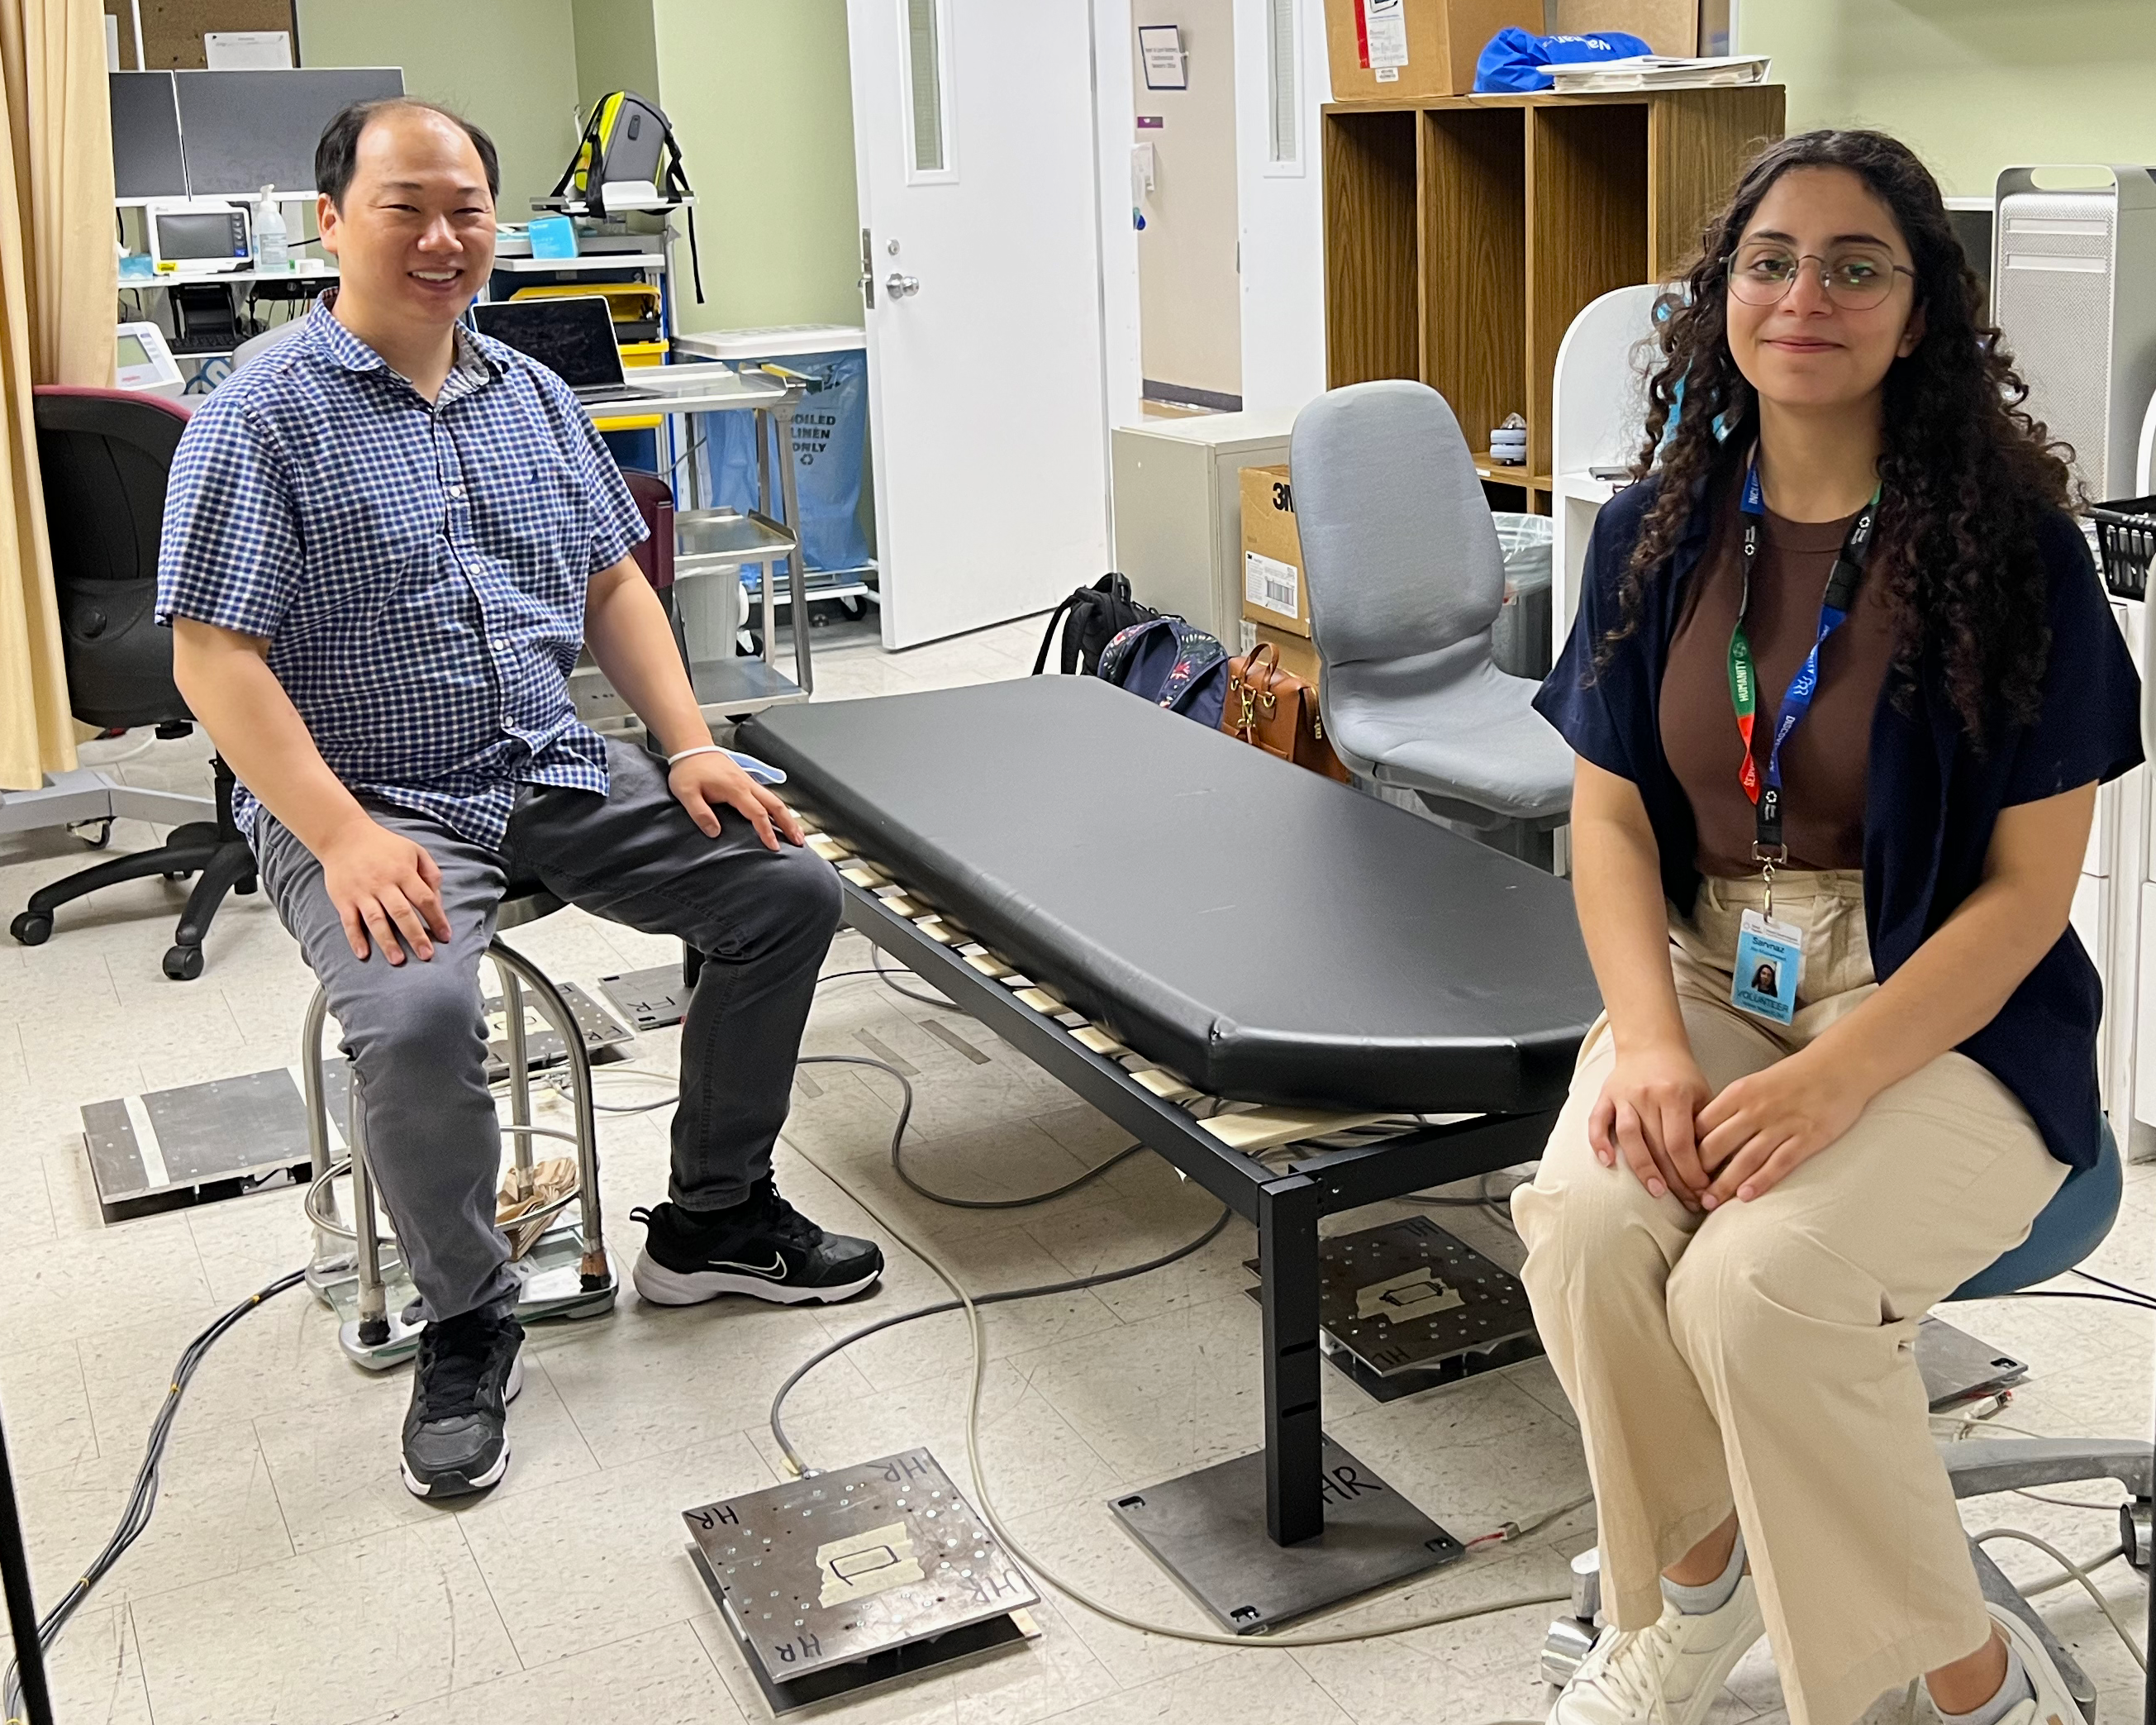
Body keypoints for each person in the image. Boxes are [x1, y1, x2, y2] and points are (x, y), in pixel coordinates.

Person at [156, 98, 883, 1502]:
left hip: (543, 760)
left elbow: (615, 580)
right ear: (332, 222)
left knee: (787, 890)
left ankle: (714, 1222)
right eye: (405, 207)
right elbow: (213, 656)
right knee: (421, 1013)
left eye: (467, 209)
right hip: (367, 794)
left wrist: (686, 742)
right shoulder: (257, 416)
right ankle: (469, 1315)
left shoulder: (531, 395)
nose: (443, 238)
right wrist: (342, 834)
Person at [1519, 130, 2141, 1725]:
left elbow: (2024, 895)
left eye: (1858, 265)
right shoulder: (1655, 528)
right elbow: (1602, 808)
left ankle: (1969, 1688)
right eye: (1771, 260)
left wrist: (1838, 1073)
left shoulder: (2017, 558)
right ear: (1722, 295)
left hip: (1939, 998)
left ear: (1922, 310)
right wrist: (1649, 1040)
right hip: (1710, 961)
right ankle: (1697, 1580)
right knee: (1590, 1225)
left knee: (1753, 1290)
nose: (1807, 294)